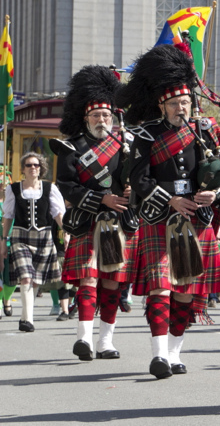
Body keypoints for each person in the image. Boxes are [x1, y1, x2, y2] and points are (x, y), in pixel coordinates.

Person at [117, 43, 220, 379]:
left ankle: (174, 350)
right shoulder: (146, 135)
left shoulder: (206, 132)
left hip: (197, 220)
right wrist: (170, 198)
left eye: (185, 101)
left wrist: (212, 194)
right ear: (162, 105)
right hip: (160, 219)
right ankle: (158, 356)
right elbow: (137, 177)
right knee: (161, 287)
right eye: (174, 103)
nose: (181, 107)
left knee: (186, 294)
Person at [51, 65, 139, 361]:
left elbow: (141, 180)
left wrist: (131, 193)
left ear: (113, 117)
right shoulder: (72, 147)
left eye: (106, 115)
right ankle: (84, 338)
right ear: (85, 117)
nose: (102, 120)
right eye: (96, 115)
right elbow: (66, 186)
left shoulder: (127, 145)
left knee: (112, 283)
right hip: (89, 220)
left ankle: (105, 341)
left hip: (118, 224)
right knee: (89, 279)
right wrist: (103, 199)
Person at [1, 152, 66, 332]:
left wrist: (66, 233)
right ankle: (29, 319)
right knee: (26, 276)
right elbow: (7, 216)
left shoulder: (50, 188)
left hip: (44, 238)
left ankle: (24, 317)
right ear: (23, 169)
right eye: (29, 165)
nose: (33, 168)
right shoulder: (13, 189)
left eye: (36, 165)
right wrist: (3, 241)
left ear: (41, 168)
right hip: (20, 237)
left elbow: (58, 214)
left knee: (36, 281)